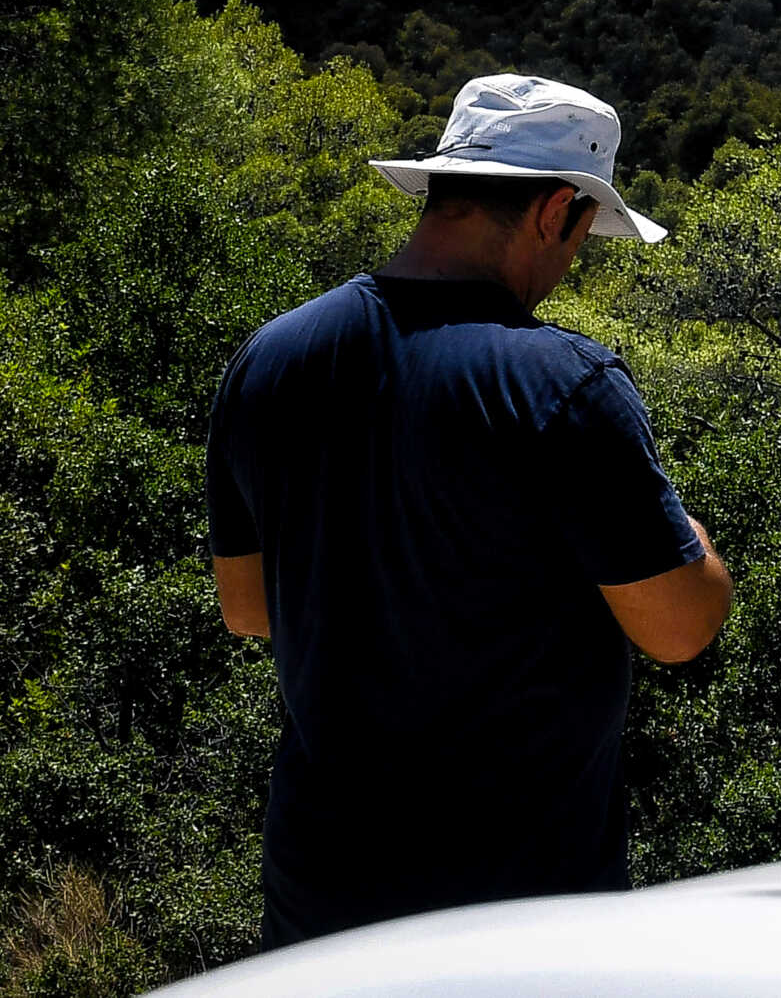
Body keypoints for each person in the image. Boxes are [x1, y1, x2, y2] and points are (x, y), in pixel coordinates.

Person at [207, 74, 733, 949]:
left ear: (442, 189)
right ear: (556, 211)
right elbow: (681, 626)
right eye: (585, 235)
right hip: (519, 916)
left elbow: (247, 609)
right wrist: (698, 544)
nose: (574, 260)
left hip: (320, 906)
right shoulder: (567, 386)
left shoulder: (270, 359)